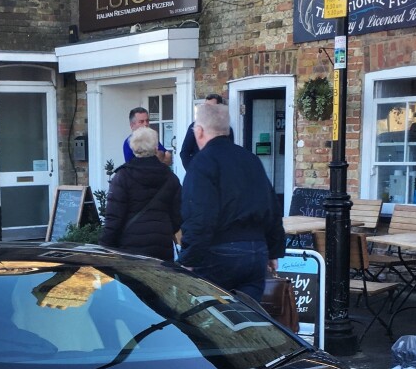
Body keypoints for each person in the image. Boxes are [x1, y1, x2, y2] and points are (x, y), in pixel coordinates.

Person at [178, 101, 285, 301]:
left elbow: (199, 217)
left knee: (210, 321)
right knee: (248, 320)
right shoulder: (251, 159)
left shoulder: (203, 162)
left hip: (220, 252)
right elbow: (272, 207)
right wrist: (273, 250)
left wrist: (188, 259)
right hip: (256, 251)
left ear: (199, 131)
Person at [99, 127, 181, 262]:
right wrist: (165, 229)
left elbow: (114, 217)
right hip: (161, 245)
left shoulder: (122, 177)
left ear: (133, 148)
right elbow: (178, 214)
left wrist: (104, 246)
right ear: (156, 148)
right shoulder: (170, 177)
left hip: (130, 247)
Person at [179, 93, 230, 170]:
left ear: (219, 109)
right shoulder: (195, 126)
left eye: (210, 107)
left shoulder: (227, 129)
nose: (207, 110)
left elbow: (228, 152)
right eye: (205, 106)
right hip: (200, 171)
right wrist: (192, 171)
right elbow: (184, 153)